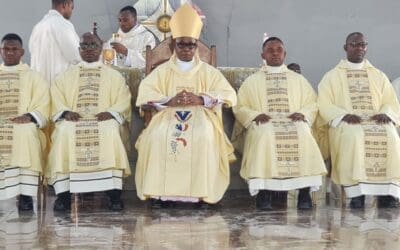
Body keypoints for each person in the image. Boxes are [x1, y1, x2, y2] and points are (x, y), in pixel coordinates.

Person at [135, 4, 237, 207]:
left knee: (203, 136)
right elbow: (145, 94)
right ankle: (161, 194)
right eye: (181, 44)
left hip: (201, 116)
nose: (186, 49)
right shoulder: (162, 71)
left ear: (196, 46)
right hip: (167, 115)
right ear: (173, 45)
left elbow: (229, 95)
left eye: (191, 45)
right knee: (157, 136)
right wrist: (168, 101)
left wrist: (201, 99)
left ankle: (200, 194)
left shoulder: (208, 72)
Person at [232, 37, 326, 210]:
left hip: (293, 121)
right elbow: (240, 106)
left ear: (285, 54)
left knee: (303, 132)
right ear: (263, 55)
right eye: (270, 50)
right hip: (264, 122)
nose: (275, 53)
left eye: (279, 50)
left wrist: (304, 113)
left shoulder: (298, 79)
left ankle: (304, 193)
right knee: (264, 132)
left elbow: (312, 103)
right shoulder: (252, 81)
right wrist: (255, 115)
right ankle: (264, 193)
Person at [47, 32, 131, 211]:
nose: (89, 50)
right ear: (79, 50)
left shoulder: (114, 76)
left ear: (101, 48)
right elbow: (56, 96)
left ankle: (113, 194)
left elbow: (123, 98)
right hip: (73, 120)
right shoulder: (65, 76)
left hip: (104, 120)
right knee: (63, 132)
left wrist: (111, 112)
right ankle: (64, 195)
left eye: (93, 45)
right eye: (84, 46)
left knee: (110, 130)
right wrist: (65, 112)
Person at [318, 32, 400, 209]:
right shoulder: (332, 76)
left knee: (391, 134)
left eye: (362, 44)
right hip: (347, 123)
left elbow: (390, 101)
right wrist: (343, 115)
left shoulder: (378, 75)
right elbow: (323, 103)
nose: (359, 48)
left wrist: (386, 113)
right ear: (345, 47)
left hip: (375, 120)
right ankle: (357, 193)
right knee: (354, 134)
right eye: (354, 44)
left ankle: (388, 194)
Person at [0, 33, 49, 211]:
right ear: (0, 51)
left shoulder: (34, 77)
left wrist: (29, 117)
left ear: (22, 52)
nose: (10, 53)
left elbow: (43, 104)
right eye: (6, 49)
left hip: (24, 122)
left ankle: (25, 195)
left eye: (14, 49)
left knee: (26, 131)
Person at [29, 0, 81, 85]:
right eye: (72, 7)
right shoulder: (64, 24)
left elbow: (32, 53)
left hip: (39, 90)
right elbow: (77, 55)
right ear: (65, 5)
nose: (72, 11)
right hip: (59, 88)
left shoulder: (37, 27)